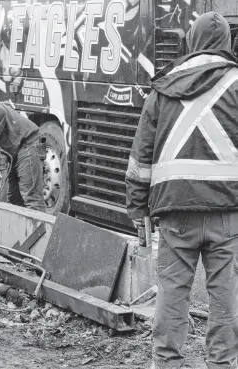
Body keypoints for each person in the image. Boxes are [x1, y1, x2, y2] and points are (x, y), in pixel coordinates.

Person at [125, 12, 238, 369]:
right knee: (226, 300)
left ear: (191, 42)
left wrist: (137, 211)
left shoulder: (162, 88)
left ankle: (167, 363)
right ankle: (222, 364)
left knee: (172, 297)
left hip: (175, 214)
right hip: (227, 215)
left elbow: (141, 159)